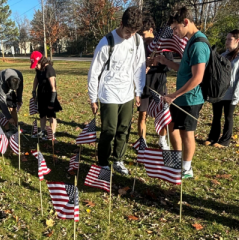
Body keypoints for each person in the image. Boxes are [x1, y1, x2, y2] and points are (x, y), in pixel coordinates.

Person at [88, 6, 146, 175]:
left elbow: (139, 67)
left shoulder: (137, 41)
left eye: (134, 32)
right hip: (108, 93)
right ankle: (103, 162)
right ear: (121, 24)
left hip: (127, 93)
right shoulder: (106, 42)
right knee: (109, 130)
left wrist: (138, 92)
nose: (130, 35)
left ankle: (118, 159)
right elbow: (94, 71)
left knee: (124, 129)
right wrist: (93, 97)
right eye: (128, 31)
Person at [154, 6, 210, 179]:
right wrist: (164, 61)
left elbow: (197, 78)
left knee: (187, 133)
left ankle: (186, 168)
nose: (175, 33)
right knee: (172, 127)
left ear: (186, 22)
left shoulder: (199, 45)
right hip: (180, 98)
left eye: (176, 28)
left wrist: (174, 95)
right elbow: (184, 69)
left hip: (191, 99)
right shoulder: (191, 41)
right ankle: (176, 162)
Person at [204, 29, 239, 148]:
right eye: (226, 39)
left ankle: (225, 141)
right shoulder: (224, 55)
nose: (226, 41)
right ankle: (213, 137)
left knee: (228, 116)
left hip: (232, 93)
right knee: (216, 115)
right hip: (220, 92)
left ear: (237, 40)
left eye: (229, 39)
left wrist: (237, 95)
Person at [138, 16, 173, 149]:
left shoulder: (163, 44)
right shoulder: (141, 45)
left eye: (143, 33)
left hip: (159, 84)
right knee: (142, 114)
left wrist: (156, 62)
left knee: (161, 114)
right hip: (144, 85)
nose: (142, 37)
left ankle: (162, 140)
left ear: (151, 30)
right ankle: (142, 141)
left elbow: (169, 67)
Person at [30, 51, 62, 140]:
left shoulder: (49, 69)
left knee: (51, 115)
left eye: (36, 64)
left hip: (49, 94)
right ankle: (42, 131)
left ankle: (52, 134)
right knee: (42, 114)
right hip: (41, 94)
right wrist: (34, 91)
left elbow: (53, 87)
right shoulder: (39, 69)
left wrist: (52, 101)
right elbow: (36, 79)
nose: (35, 66)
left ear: (41, 61)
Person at [0, 68, 23, 137]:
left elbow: (20, 88)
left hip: (9, 88)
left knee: (13, 108)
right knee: (4, 110)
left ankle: (15, 127)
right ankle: (7, 130)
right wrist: (8, 117)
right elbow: (2, 101)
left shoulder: (19, 75)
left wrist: (19, 99)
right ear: (8, 83)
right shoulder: (1, 81)